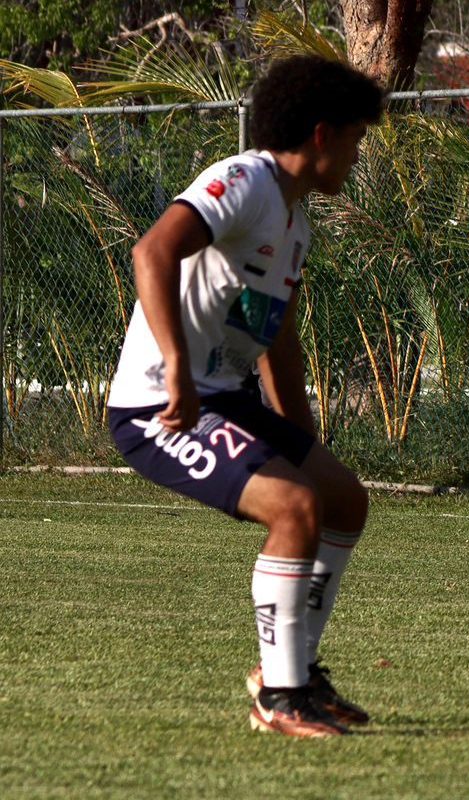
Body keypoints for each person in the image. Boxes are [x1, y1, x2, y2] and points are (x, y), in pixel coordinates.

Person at [105, 55, 384, 737]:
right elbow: (152, 253)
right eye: (354, 139)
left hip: (225, 398)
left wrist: (300, 436)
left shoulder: (294, 223)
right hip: (159, 405)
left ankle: (297, 673)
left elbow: (276, 337)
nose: (356, 154)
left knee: (341, 497)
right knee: (292, 509)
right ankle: (279, 698)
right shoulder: (243, 181)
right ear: (321, 134)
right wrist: (174, 367)